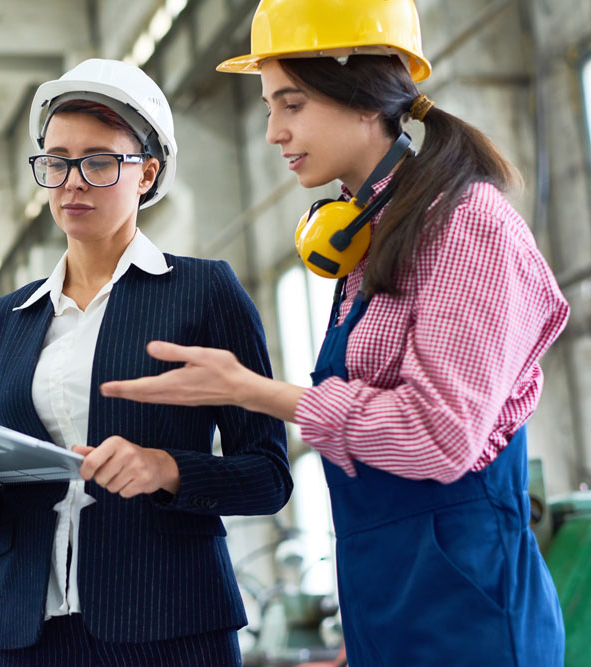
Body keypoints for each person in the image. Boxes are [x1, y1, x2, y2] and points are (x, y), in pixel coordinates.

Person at [99, 1, 570, 665]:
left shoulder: (468, 226)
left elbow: (438, 436)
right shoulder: (369, 242)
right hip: (392, 614)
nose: (273, 132)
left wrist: (257, 393)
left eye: (290, 104)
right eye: (269, 107)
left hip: (471, 620)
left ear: (360, 91)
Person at [0, 58, 292, 666]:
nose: (72, 181)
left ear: (147, 172)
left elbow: (269, 475)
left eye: (98, 161)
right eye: (56, 161)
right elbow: (0, 510)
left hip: (172, 628)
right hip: (33, 637)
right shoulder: (2, 323)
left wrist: (165, 468)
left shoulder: (203, 292)